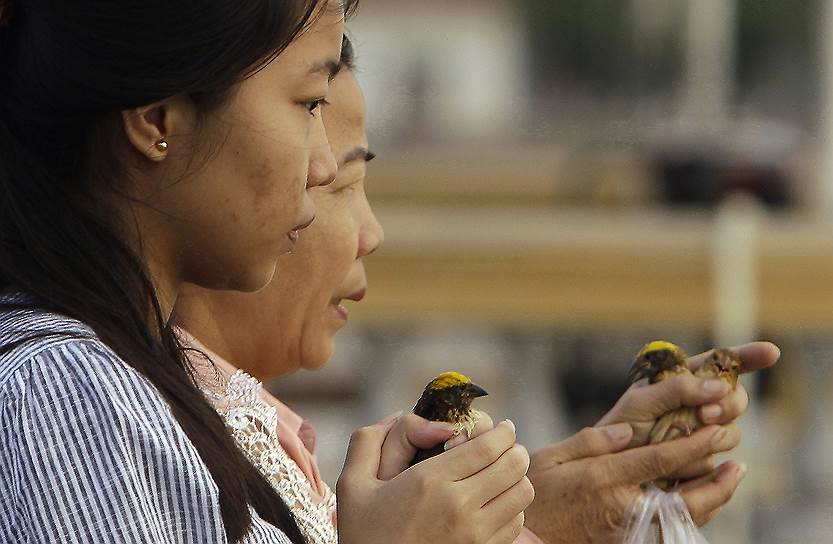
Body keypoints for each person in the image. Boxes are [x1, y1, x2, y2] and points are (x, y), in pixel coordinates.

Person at [175, 34, 781, 543]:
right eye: (336, 185)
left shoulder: (252, 438)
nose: (372, 233)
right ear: (163, 133)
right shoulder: (143, 440)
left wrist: (532, 511)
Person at [0, 1, 360, 543]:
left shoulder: (131, 369)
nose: (324, 165)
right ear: (156, 121)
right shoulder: (64, 390)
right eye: (309, 103)